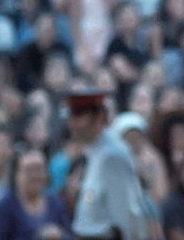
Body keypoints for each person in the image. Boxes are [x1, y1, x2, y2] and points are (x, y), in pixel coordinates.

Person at [64, 89, 151, 240]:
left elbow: (126, 220)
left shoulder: (112, 156)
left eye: (78, 115)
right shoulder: (94, 151)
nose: (72, 124)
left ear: (99, 117)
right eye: (72, 116)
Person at [0, 148, 70, 240]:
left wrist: (59, 235)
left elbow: (69, 235)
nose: (35, 175)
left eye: (39, 169)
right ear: (16, 174)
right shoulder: (3, 208)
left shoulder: (56, 204)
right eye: (29, 170)